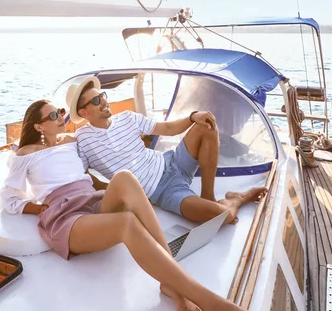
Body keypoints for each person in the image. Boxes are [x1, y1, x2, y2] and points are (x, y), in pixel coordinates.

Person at [0, 99, 269, 311]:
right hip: (66, 216)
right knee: (127, 224)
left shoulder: (72, 142)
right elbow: (9, 198)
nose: (61, 118)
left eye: (61, 112)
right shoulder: (24, 155)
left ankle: (170, 281)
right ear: (38, 127)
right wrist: (38, 209)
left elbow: (93, 164)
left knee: (125, 178)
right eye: (54, 116)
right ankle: (211, 304)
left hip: (91, 201)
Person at [68, 77, 267, 224]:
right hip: (163, 191)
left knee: (205, 124)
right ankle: (238, 198)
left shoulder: (128, 118)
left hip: (172, 161)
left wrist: (192, 116)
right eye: (95, 101)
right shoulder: (82, 140)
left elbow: (168, 129)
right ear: (83, 113)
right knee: (224, 218)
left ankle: (208, 195)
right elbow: (79, 177)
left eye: (102, 96)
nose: (103, 101)